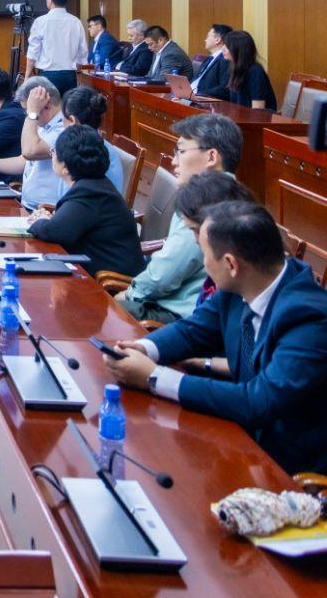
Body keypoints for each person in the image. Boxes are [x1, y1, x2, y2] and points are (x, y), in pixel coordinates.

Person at [106, 199, 327, 475]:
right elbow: (192, 331)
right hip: (237, 437)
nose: (204, 264)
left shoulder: (309, 318)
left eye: (205, 255)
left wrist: (153, 377)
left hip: (288, 468)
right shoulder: (241, 286)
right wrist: (143, 348)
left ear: (231, 264)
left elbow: (259, 401)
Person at [117, 114, 245, 323]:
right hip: (181, 309)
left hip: (180, 316)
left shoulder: (207, 200)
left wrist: (130, 294)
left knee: (99, 308)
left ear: (211, 157)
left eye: (181, 151)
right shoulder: (233, 193)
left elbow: (165, 273)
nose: (174, 161)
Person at [26, 126, 143, 278]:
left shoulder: (89, 192)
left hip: (112, 282)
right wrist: (49, 220)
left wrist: (40, 221)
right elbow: (65, 225)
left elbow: (53, 232)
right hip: (94, 271)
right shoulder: (94, 185)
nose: (52, 156)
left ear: (65, 167)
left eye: (54, 152)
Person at [0, 76, 65, 210]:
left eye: (26, 110)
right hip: (27, 206)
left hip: (46, 211)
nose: (26, 114)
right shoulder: (43, 125)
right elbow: (23, 161)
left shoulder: (63, 129)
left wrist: (32, 113)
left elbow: (29, 152)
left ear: (46, 105)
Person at [56, 86, 125, 193]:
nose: (61, 125)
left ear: (72, 122)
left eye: (62, 120)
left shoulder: (85, 156)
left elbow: (73, 198)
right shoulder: (94, 147)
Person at [25, 0, 87, 94]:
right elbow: (82, 51)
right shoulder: (76, 22)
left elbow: (33, 52)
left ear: (50, 0)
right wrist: (77, 72)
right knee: (68, 105)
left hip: (47, 77)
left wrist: (27, 77)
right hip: (69, 76)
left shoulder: (41, 21)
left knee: (46, 105)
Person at [211, 30, 278, 110]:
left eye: (227, 46)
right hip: (240, 115)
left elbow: (258, 108)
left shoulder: (255, 72)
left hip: (258, 117)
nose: (223, 49)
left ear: (239, 49)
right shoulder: (234, 68)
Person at [189, 23, 232, 97]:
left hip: (204, 98)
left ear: (217, 40)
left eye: (208, 36)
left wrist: (199, 95)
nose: (205, 40)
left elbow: (224, 89)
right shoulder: (209, 58)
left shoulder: (225, 59)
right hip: (191, 96)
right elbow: (196, 80)